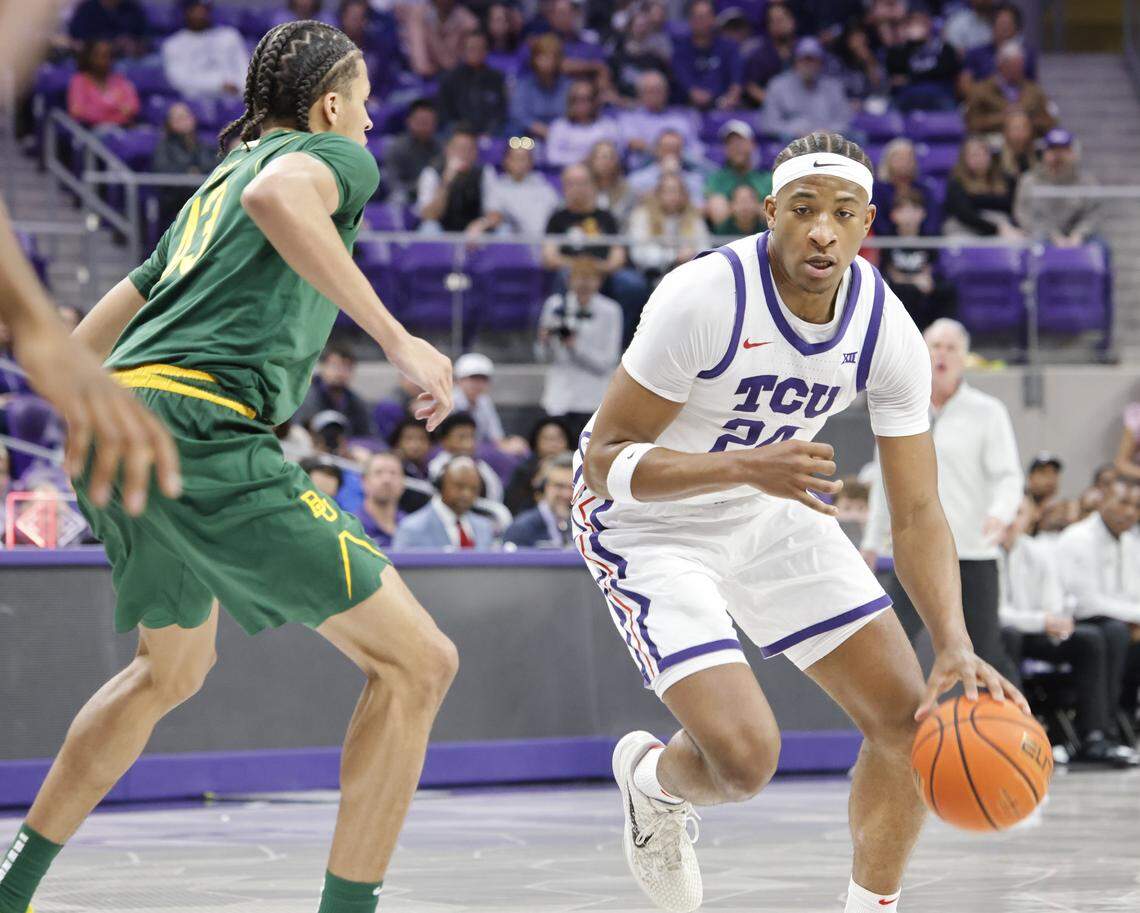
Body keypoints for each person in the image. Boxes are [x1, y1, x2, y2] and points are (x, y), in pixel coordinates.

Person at [0, 23, 458, 913]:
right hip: (200, 429)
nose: (369, 124)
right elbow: (280, 198)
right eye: (364, 105)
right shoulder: (328, 158)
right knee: (420, 664)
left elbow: (84, 339)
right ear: (331, 105)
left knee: (167, 671)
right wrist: (397, 338)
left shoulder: (213, 184)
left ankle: (11, 888)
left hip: (119, 425)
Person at [575, 131, 1027, 913]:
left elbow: (918, 509)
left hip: (771, 506)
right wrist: (744, 467)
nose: (823, 230)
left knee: (907, 724)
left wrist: (953, 640)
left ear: (867, 224)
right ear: (770, 211)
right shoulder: (702, 296)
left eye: (843, 213)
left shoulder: (885, 327)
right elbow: (602, 460)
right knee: (744, 761)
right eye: (805, 209)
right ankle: (652, 782)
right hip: (646, 522)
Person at [998, 496, 1137, 766]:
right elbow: (997, 614)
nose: (1011, 520)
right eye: (1007, 512)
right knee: (1009, 635)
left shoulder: (1038, 552)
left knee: (1090, 638)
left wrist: (1055, 621)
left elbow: (1055, 603)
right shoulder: (985, 553)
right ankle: (1017, 731)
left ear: (1032, 516)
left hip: (1040, 632)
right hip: (1006, 634)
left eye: (1019, 513)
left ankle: (1095, 736)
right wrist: (1042, 621)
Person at [1055, 480, 1140, 755]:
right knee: (1112, 634)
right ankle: (1097, 733)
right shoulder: (1078, 537)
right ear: (1103, 500)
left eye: (1137, 506)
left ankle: (1122, 724)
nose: (1130, 512)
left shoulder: (1131, 542)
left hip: (1118, 622)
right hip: (1069, 624)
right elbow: (1086, 604)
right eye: (1123, 503)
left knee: (1118, 633)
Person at [543, 164, 648, 343]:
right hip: (572, 271)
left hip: (604, 271)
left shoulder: (606, 217)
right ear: (564, 187)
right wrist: (581, 267)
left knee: (633, 285)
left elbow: (618, 256)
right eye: (572, 183)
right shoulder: (557, 218)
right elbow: (549, 257)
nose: (578, 189)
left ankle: (622, 343)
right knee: (564, 277)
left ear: (592, 186)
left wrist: (597, 268)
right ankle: (566, 339)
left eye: (582, 183)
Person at [536, 257, 623, 442]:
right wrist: (545, 341)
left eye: (589, 278)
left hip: (592, 398)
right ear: (569, 280)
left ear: (599, 282)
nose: (584, 284)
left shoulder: (610, 310)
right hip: (559, 397)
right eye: (579, 278)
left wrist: (575, 346)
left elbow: (607, 362)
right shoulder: (555, 305)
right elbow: (542, 357)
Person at [1014, 128, 1102, 248]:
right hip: (1042, 235)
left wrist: (1078, 235)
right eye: (1053, 150)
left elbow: (1094, 214)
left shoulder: (1087, 181)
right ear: (1044, 153)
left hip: (1078, 236)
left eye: (1063, 150)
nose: (1058, 156)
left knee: (1100, 247)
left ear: (1073, 153)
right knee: (1035, 246)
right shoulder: (1029, 180)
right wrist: (1052, 235)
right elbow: (1024, 214)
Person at [881, 191, 954, 330]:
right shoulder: (886, 240)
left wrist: (928, 281)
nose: (909, 215)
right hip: (896, 289)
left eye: (914, 209)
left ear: (923, 213)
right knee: (908, 292)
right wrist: (911, 280)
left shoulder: (929, 240)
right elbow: (888, 272)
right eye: (903, 209)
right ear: (893, 215)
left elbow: (933, 269)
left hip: (922, 288)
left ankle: (941, 332)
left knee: (947, 290)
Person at [393, 455, 495, 549]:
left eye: (474, 488)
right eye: (459, 486)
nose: (466, 494)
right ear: (441, 485)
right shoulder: (412, 529)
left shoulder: (484, 527)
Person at [762, 38, 851, 141]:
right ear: (795, 61)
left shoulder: (834, 87)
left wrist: (828, 132)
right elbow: (769, 124)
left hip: (827, 144)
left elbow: (845, 121)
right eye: (804, 60)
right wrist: (795, 132)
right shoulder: (778, 85)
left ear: (821, 63)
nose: (808, 65)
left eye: (813, 60)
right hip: (789, 144)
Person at [415, 126, 499, 235]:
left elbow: (495, 215)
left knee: (503, 230)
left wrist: (482, 223)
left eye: (469, 149)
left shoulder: (485, 173)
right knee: (429, 228)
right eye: (459, 149)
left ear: (475, 153)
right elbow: (428, 215)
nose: (464, 154)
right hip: (442, 232)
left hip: (475, 235)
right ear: (447, 150)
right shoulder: (431, 173)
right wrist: (446, 183)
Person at [628, 172, 711, 281]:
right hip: (652, 274)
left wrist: (692, 255)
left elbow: (705, 247)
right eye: (669, 191)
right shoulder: (642, 215)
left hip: (689, 272)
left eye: (678, 191)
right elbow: (639, 254)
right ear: (658, 193)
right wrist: (675, 256)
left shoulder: (693, 217)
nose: (674, 196)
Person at [965, 42, 1056, 138]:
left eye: (1019, 66)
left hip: (1030, 140)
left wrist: (1024, 119)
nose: (1017, 70)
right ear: (1000, 65)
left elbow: (1049, 122)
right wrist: (1003, 117)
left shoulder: (1034, 90)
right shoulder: (981, 90)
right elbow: (972, 123)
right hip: (992, 140)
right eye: (1012, 65)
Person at [161, 0, 248, 99]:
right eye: (195, 9)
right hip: (196, 101)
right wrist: (219, 85)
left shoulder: (230, 35)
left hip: (236, 98)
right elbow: (178, 81)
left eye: (204, 9)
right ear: (185, 11)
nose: (200, 14)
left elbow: (245, 69)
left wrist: (240, 88)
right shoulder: (173, 44)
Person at [153, 101, 217, 230]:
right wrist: (188, 172)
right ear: (169, 123)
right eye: (178, 118)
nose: (184, 120)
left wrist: (196, 171)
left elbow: (216, 165)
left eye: (186, 116)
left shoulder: (204, 146)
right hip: (177, 205)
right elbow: (163, 172)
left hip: (206, 203)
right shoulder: (164, 148)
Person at [943, 135, 1021, 239]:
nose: (979, 159)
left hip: (1001, 225)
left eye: (983, 154)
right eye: (974, 155)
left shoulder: (1005, 180)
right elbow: (964, 214)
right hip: (965, 227)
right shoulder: (956, 182)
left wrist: (1010, 227)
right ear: (964, 158)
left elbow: (1013, 209)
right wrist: (996, 229)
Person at [885, 7, 960, 112]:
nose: (915, 26)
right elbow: (895, 73)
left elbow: (946, 70)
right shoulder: (901, 50)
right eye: (911, 23)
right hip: (907, 94)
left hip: (939, 92)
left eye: (919, 22)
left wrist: (911, 77)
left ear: (929, 24)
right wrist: (907, 43)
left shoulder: (944, 47)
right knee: (890, 112)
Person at [451, 352, 527, 455]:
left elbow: (497, 438)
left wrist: (511, 445)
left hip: (476, 448)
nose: (478, 384)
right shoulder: (449, 400)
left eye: (483, 379)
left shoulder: (484, 401)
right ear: (459, 380)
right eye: (473, 379)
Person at [436, 30, 508, 138]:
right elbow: (444, 114)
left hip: (490, 134)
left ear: (486, 51)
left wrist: (489, 132)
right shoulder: (449, 79)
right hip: (458, 133)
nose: (477, 52)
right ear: (463, 51)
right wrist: (462, 131)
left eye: (481, 48)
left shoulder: (496, 78)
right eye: (472, 48)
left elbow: (501, 112)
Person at [673, 0, 742, 111]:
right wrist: (697, 95)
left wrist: (731, 98)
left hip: (723, 107)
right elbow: (684, 82)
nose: (701, 21)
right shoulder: (680, 50)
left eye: (705, 17)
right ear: (690, 20)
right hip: (687, 108)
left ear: (713, 19)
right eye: (697, 17)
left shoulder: (729, 47)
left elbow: (736, 82)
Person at [618, 70, 702, 160]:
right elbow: (633, 143)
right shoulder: (630, 117)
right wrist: (664, 152)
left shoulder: (679, 117)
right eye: (650, 91)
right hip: (646, 164)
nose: (655, 95)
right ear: (640, 94)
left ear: (666, 92)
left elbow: (694, 146)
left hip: (682, 164)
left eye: (658, 90)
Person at [485, 139, 560, 238]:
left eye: (524, 159)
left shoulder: (543, 184)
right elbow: (493, 217)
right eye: (516, 158)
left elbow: (558, 209)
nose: (520, 163)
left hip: (546, 240)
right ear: (506, 161)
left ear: (531, 162)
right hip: (515, 242)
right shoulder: (497, 188)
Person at [296, 342, 374, 437]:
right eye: (335, 366)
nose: (340, 372)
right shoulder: (305, 397)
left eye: (346, 367)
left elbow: (368, 436)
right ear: (322, 366)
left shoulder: (356, 402)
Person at [704, 119, 772, 226]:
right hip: (726, 234)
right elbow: (715, 209)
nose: (736, 147)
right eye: (730, 143)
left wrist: (742, 208)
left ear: (752, 144)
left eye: (740, 142)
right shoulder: (717, 179)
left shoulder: (766, 179)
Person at [426, 411, 504, 502]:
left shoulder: (482, 466)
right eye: (462, 437)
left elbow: (495, 496)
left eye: (472, 437)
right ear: (444, 441)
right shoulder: (437, 467)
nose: (468, 444)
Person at [544, 79, 621, 169]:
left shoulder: (608, 126)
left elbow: (618, 153)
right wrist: (583, 160)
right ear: (569, 102)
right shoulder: (559, 126)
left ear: (595, 102)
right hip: (569, 173)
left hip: (603, 172)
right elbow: (552, 157)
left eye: (586, 99)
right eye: (576, 99)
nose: (581, 104)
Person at [503, 452, 575, 548]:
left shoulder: (589, 527)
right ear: (543, 487)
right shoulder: (521, 529)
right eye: (559, 486)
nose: (567, 494)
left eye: (573, 487)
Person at [504, 417, 571, 516]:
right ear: (536, 442)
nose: (553, 444)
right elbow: (512, 505)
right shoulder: (524, 470)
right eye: (547, 439)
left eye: (558, 438)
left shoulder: (579, 467)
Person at [67, 38, 140, 129]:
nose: (105, 60)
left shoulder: (120, 80)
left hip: (124, 128)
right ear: (89, 58)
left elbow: (133, 107)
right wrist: (115, 110)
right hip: (93, 131)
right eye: (100, 56)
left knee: (147, 132)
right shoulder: (79, 81)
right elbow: (77, 111)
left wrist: (101, 110)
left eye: (108, 56)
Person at [508, 33, 569, 140]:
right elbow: (518, 115)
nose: (547, 61)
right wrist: (543, 130)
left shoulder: (568, 86)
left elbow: (572, 115)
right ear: (534, 59)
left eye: (552, 57)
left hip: (563, 138)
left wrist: (556, 133)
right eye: (543, 56)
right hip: (529, 138)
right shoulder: (524, 85)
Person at [627, 129, 707, 209]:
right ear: (657, 150)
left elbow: (698, 207)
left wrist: (676, 179)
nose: (671, 153)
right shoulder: (637, 179)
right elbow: (631, 208)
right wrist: (664, 177)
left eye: (675, 149)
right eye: (667, 148)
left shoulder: (694, 180)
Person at [383, 98, 441, 207]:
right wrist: (419, 186)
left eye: (428, 122)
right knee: (398, 197)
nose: (424, 127)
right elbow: (393, 184)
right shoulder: (397, 147)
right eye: (421, 122)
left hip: (434, 198)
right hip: (407, 197)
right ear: (409, 121)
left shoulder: (441, 148)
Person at [399, 0, 479, 78]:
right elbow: (421, 66)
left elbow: (450, 64)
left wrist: (430, 34)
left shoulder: (468, 22)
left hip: (454, 78)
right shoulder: (418, 14)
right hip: (421, 79)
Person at [962, 3, 1037, 84]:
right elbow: (965, 84)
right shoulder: (975, 54)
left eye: (1008, 24)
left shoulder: (1026, 54)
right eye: (1000, 23)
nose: (1003, 28)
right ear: (992, 25)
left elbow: (1031, 85)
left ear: (1017, 29)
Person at [742, 0, 797, 108]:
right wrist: (775, 103)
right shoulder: (760, 55)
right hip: (770, 109)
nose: (778, 25)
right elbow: (751, 87)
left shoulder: (804, 51)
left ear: (792, 21)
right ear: (768, 26)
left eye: (781, 19)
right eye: (773, 21)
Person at [873, 138, 927, 235]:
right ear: (888, 161)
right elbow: (877, 223)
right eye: (899, 158)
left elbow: (933, 222)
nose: (905, 163)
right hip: (885, 241)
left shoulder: (924, 190)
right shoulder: (877, 191)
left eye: (909, 158)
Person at [356, 450, 406, 547]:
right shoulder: (352, 527)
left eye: (393, 473)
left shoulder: (411, 526)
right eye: (378, 473)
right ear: (364, 481)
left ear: (403, 483)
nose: (387, 479)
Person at [68, 0, 148, 58]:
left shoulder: (132, 8)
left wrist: (135, 44)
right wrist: (109, 44)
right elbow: (77, 36)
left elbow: (146, 34)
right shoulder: (86, 9)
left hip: (131, 58)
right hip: (96, 58)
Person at [586, 140, 637, 227]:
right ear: (591, 160)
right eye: (602, 157)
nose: (606, 162)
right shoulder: (583, 188)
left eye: (611, 157)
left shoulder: (627, 190)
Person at [998, 107, 1036, 182]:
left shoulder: (1038, 154)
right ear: (1006, 131)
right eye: (1015, 128)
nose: (1020, 133)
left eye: (1024, 128)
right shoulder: (996, 157)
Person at [388, 416, 431, 481]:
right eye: (409, 438)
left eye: (422, 438)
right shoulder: (390, 469)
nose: (416, 445)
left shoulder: (431, 468)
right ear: (397, 442)